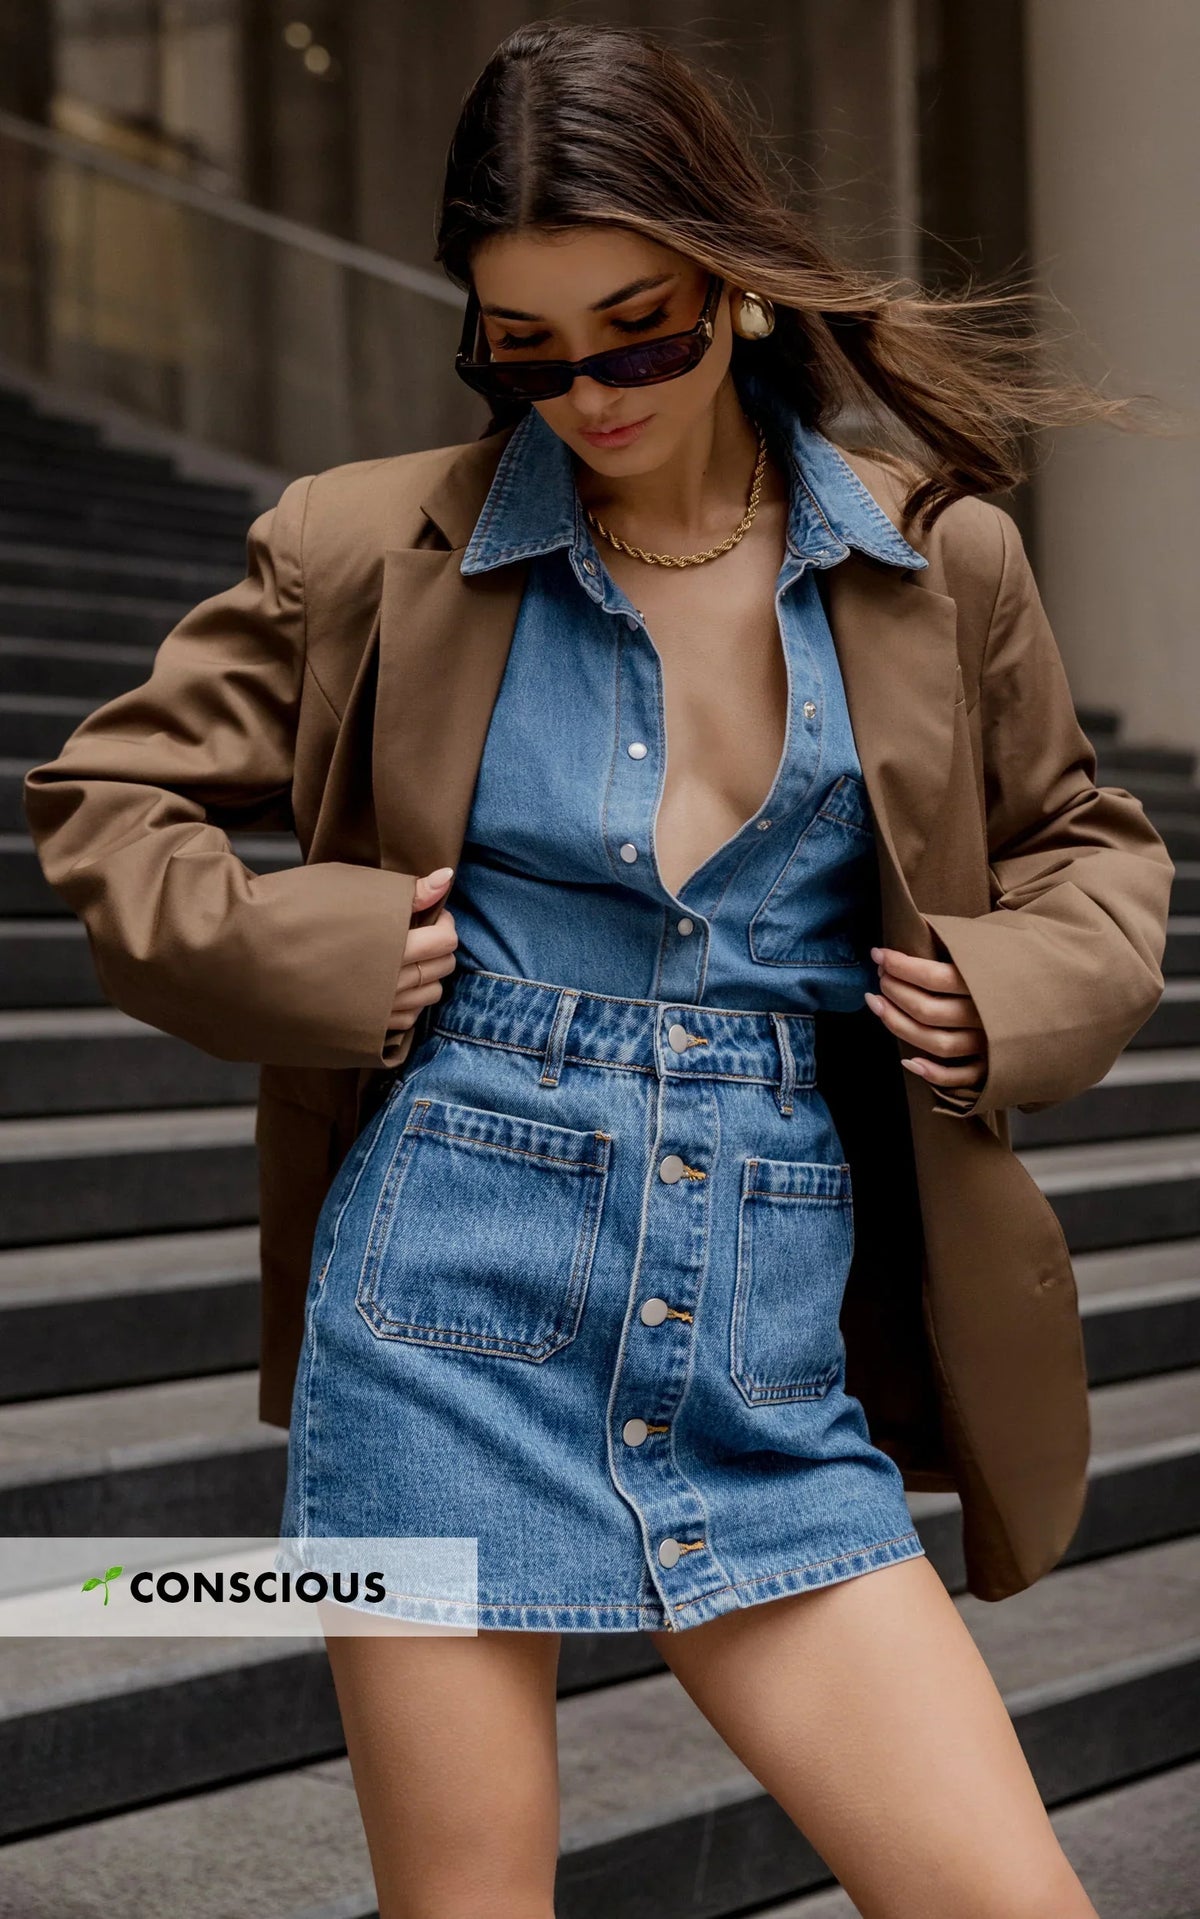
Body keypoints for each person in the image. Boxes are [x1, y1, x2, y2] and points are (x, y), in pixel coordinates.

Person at [23, 21, 1174, 1919]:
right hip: (441, 1311)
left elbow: (1083, 843)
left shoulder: (934, 557)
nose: (591, 393)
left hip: (768, 1335)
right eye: (528, 350)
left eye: (639, 335)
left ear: (734, 284)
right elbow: (105, 798)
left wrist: (1013, 989)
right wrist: (313, 948)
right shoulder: (363, 544)